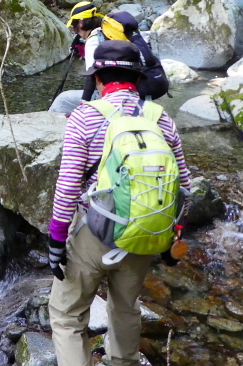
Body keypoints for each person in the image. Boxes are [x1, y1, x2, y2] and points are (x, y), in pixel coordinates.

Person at [47, 40, 191, 366]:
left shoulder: (83, 117)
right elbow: (185, 186)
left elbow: (68, 186)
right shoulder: (160, 118)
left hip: (93, 232)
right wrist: (173, 236)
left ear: (98, 80)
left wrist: (56, 239)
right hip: (143, 231)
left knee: (67, 314)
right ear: (139, 81)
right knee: (126, 309)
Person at [48, 1, 102, 114]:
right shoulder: (106, 32)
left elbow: (92, 74)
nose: (74, 29)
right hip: (130, 92)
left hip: (106, 97)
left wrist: (84, 102)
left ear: (81, 23)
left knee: (61, 100)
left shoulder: (93, 41)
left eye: (74, 25)